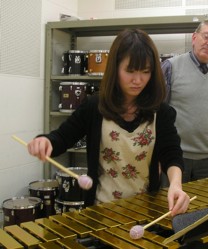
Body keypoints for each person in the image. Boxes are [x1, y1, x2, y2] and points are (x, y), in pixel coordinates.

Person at [27, 28, 190, 216]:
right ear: (115, 68)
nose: (138, 80)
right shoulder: (94, 106)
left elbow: (171, 154)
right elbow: (62, 138)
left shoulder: (160, 111)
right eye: (130, 71)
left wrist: (176, 185)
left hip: (145, 211)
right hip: (100, 211)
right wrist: (45, 142)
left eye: (145, 71)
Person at [161, 18, 208, 184]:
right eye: (206, 36)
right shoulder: (170, 67)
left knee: (207, 209)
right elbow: (157, 115)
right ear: (194, 38)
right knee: (171, 208)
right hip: (174, 158)